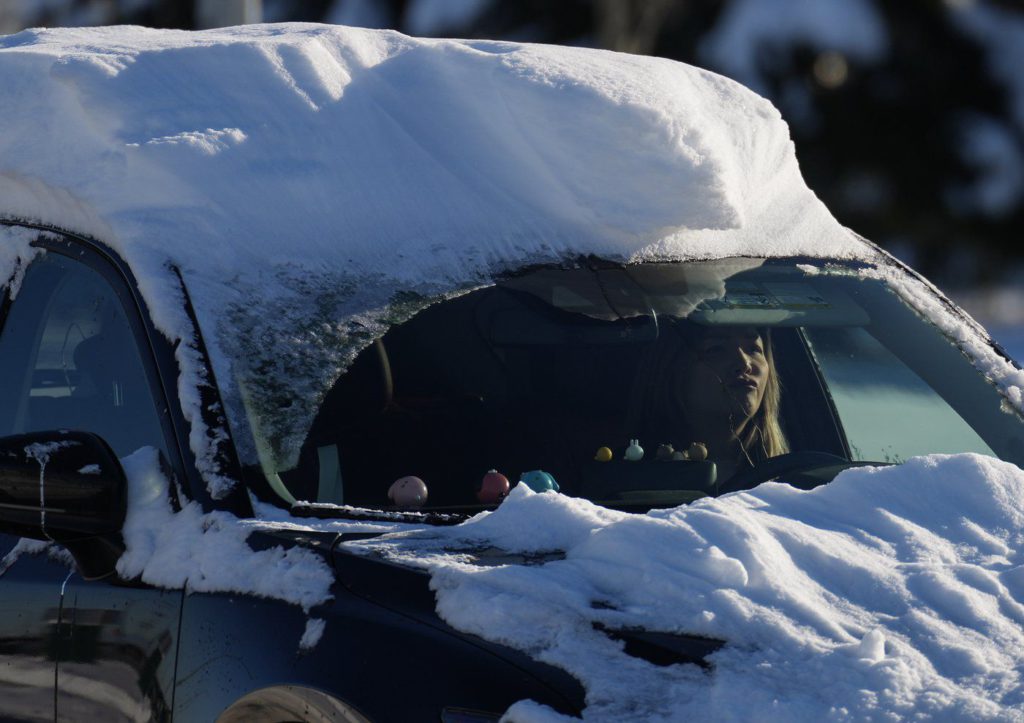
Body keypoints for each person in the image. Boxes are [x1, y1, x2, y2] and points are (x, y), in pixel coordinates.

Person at [632, 321, 788, 487]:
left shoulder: (792, 483)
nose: (744, 364)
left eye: (754, 349)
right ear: (672, 370)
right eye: (717, 349)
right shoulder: (633, 482)